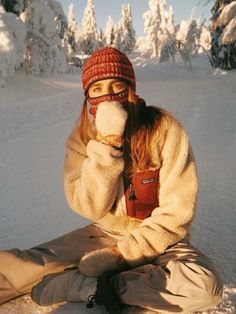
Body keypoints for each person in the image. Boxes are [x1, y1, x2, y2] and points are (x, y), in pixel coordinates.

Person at [0, 47, 223, 313]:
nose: (107, 96)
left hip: (162, 239)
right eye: (97, 89)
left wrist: (120, 257)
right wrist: (107, 145)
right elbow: (88, 207)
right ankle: (107, 282)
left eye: (116, 85)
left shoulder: (164, 129)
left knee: (203, 285)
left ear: (131, 89)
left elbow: (177, 214)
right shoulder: (81, 138)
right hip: (104, 234)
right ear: (87, 97)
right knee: (24, 266)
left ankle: (87, 286)